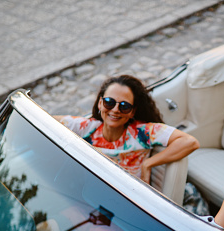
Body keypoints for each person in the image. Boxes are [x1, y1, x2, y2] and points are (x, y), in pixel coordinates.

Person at [55, 74, 199, 184]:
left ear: (132, 112)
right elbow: (44, 121)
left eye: (124, 106)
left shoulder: (141, 133)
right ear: (100, 103)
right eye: (109, 102)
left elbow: (190, 142)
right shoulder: (86, 128)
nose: (116, 110)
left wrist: (148, 164)